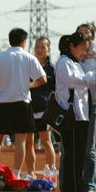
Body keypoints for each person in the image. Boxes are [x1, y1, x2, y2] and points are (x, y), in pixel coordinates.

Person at [0, 28, 47, 178]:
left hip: (4, 102)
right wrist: (29, 85)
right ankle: (16, 174)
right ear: (24, 41)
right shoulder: (28, 57)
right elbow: (43, 79)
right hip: (22, 103)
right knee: (21, 141)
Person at [56, 32, 96, 192]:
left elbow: (82, 80)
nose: (84, 53)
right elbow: (75, 81)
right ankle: (71, 188)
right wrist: (95, 75)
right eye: (83, 49)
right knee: (71, 154)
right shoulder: (64, 62)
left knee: (78, 153)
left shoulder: (74, 62)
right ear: (72, 46)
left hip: (80, 114)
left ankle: (76, 186)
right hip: (71, 114)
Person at [75, 23, 96, 192]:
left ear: (93, 36)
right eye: (80, 33)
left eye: (87, 33)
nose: (84, 35)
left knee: (89, 148)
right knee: (73, 147)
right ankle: (75, 183)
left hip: (92, 103)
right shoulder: (72, 57)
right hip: (76, 105)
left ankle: (90, 186)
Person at [23, 36, 58, 180]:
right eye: (37, 46)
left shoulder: (52, 68)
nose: (39, 49)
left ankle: (51, 170)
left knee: (46, 141)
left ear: (49, 49)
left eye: (43, 47)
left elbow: (54, 87)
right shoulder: (28, 65)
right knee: (29, 141)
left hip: (45, 109)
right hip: (29, 107)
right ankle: (31, 172)